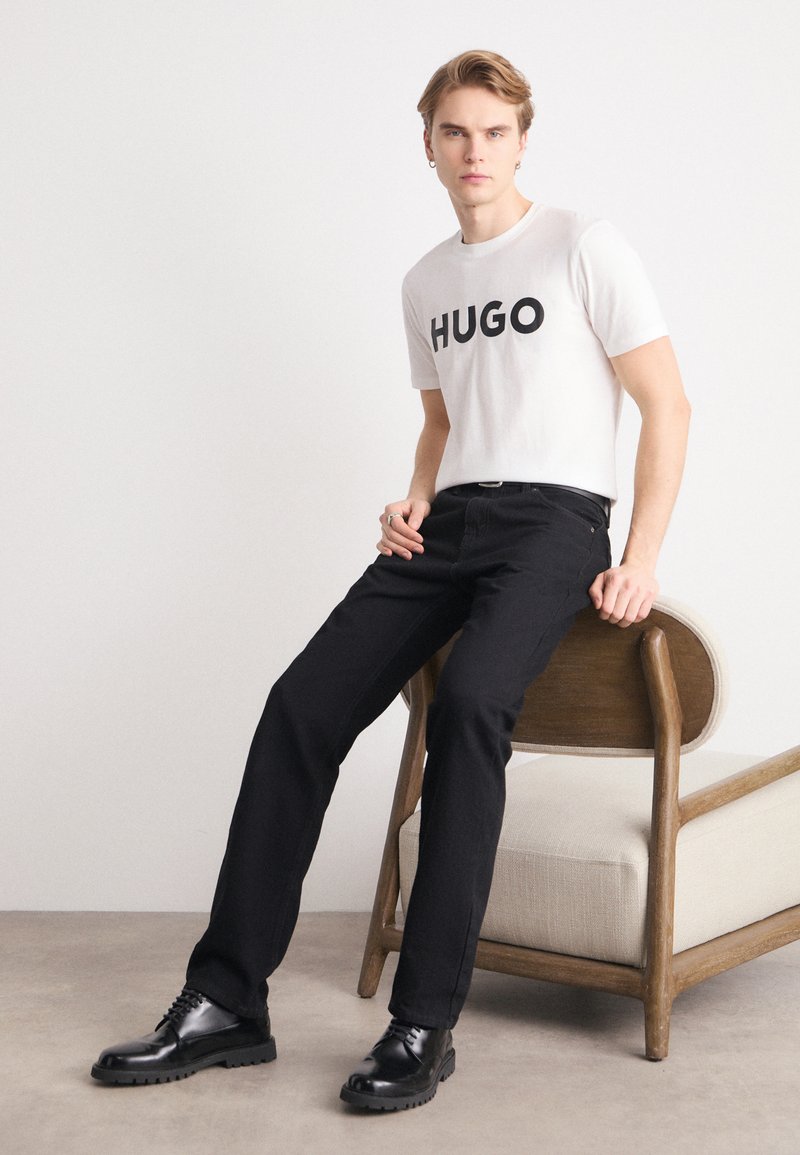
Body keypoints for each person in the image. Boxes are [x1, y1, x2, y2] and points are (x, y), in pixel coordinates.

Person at [91, 49, 691, 1111]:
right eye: (455, 132)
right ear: (428, 144)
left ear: (522, 140)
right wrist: (413, 496)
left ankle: (422, 1023)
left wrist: (639, 557)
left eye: (494, 132)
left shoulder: (580, 243)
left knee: (470, 704)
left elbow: (666, 405)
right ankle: (226, 1001)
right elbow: (441, 421)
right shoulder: (425, 281)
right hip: (448, 525)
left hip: (555, 520)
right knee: (300, 705)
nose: (475, 151)